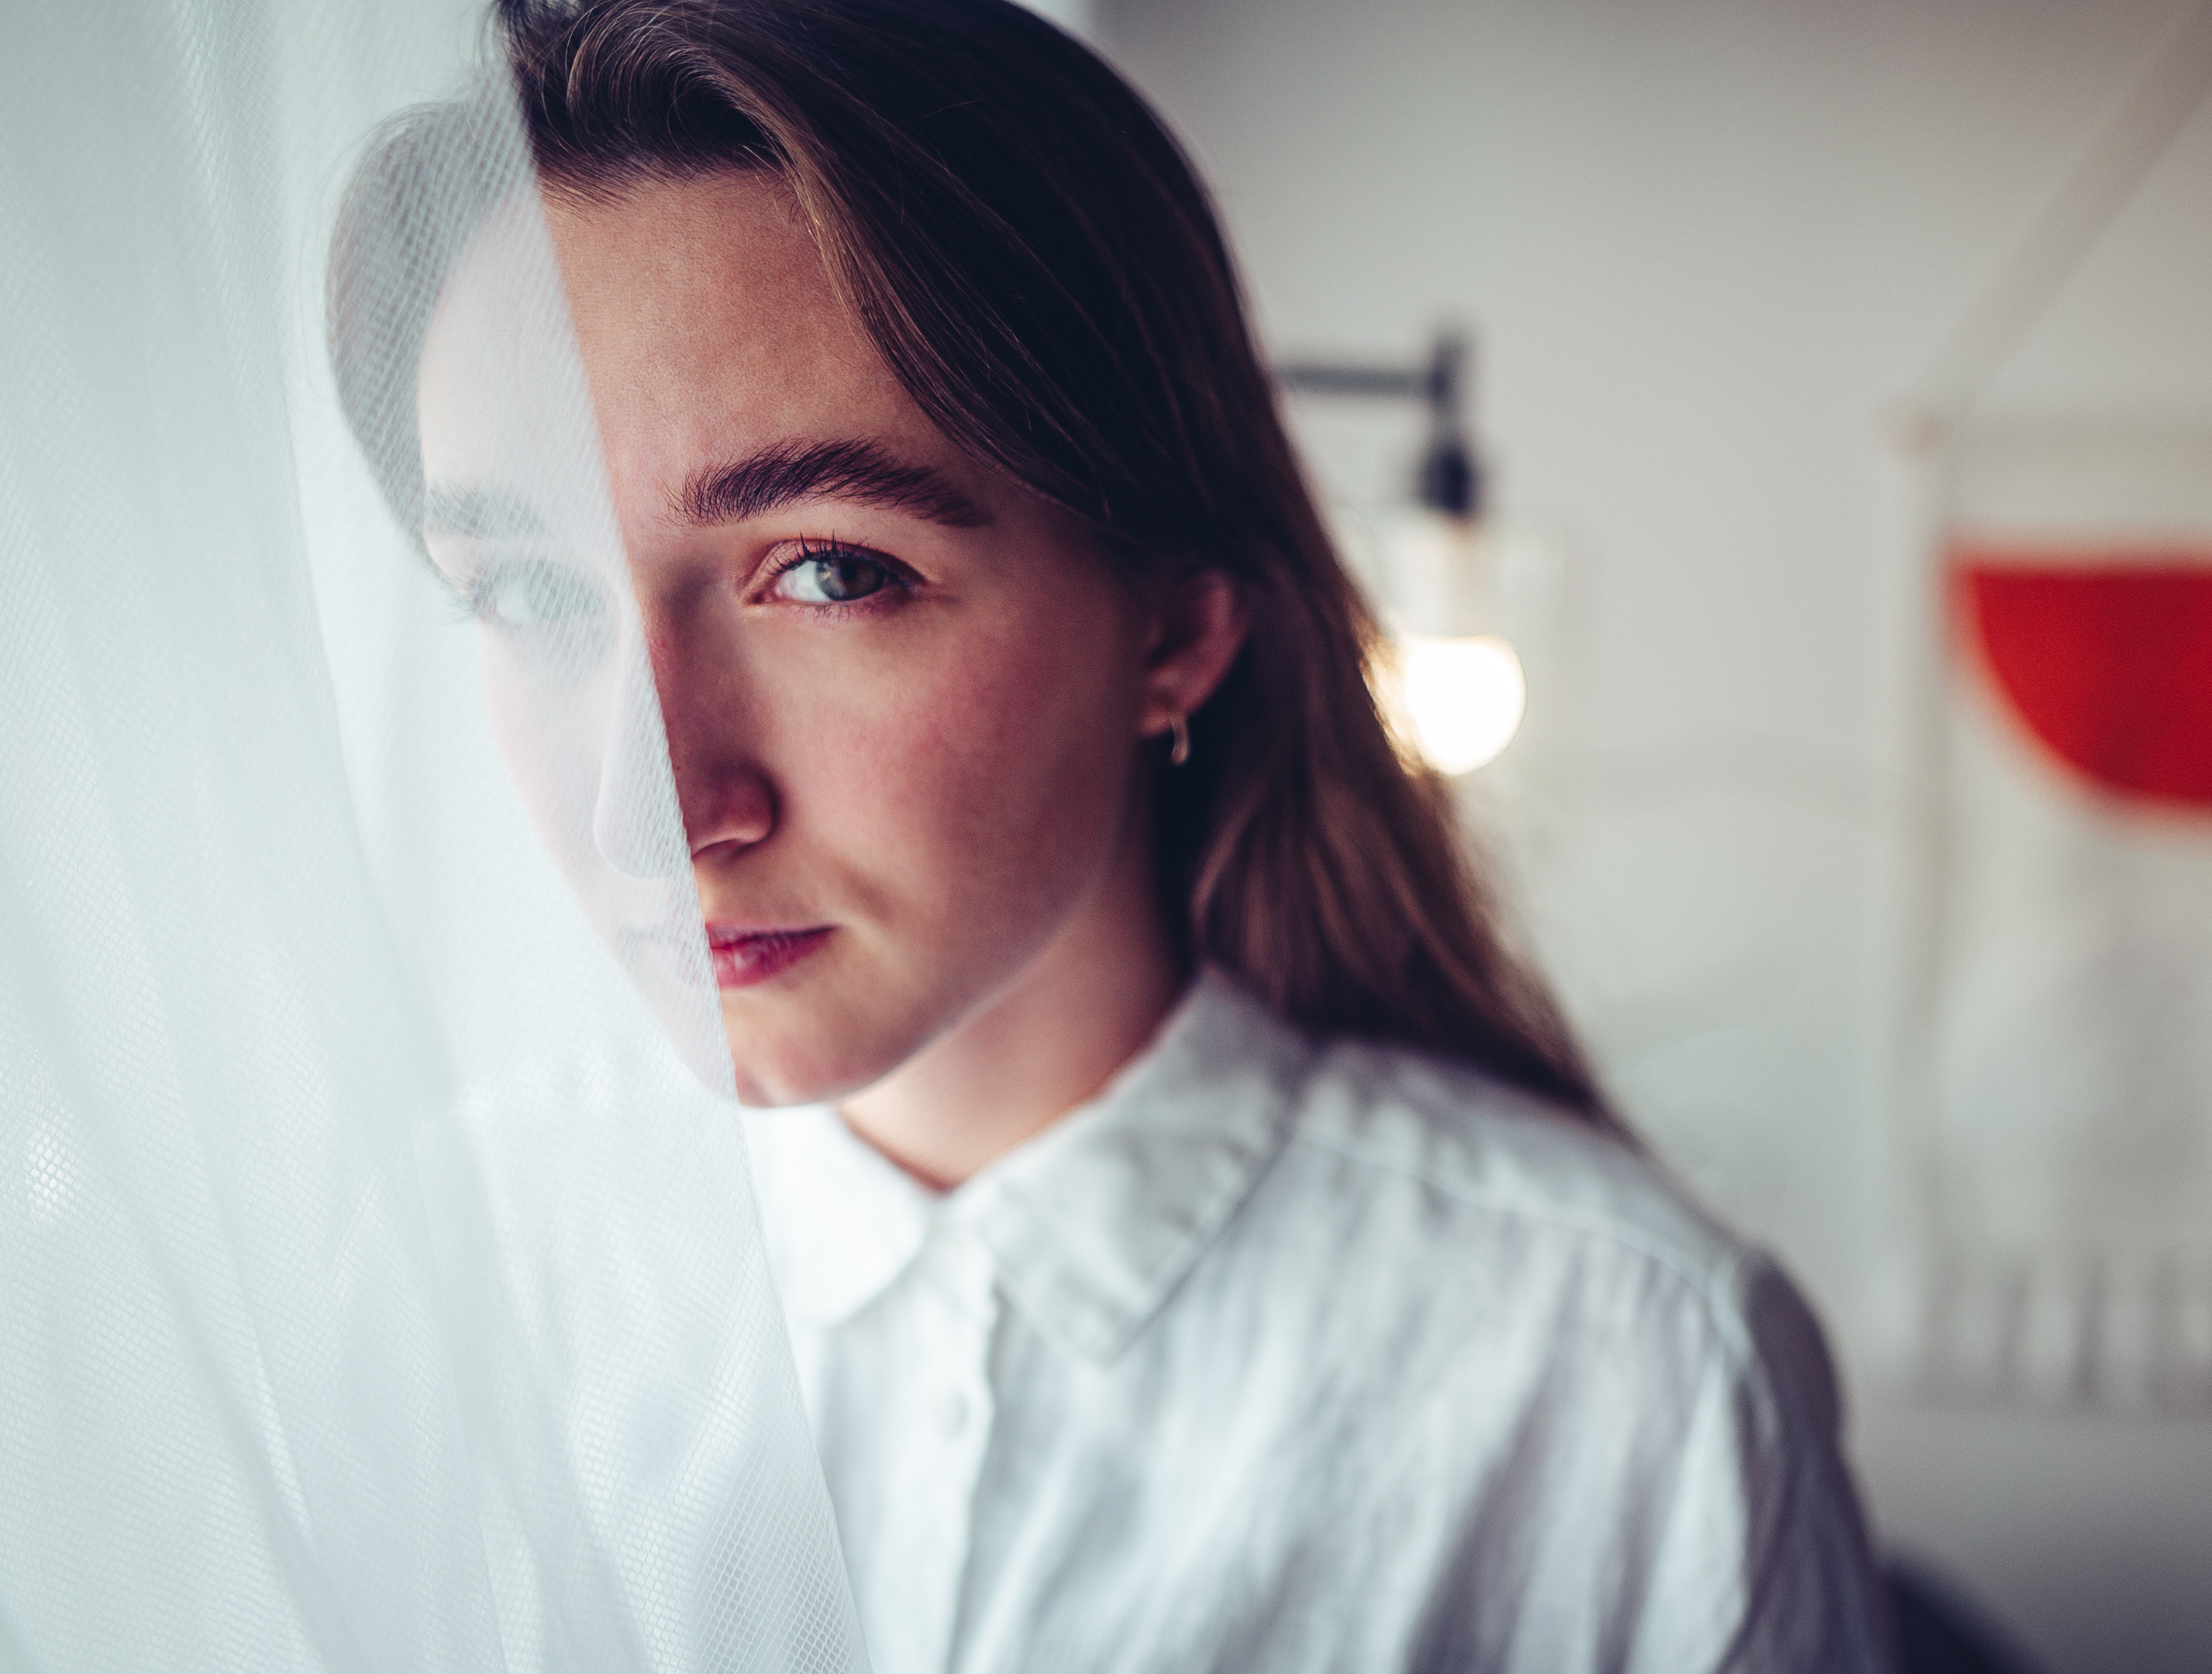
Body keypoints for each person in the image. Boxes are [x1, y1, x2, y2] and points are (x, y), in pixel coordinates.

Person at [333, 2, 1893, 1668]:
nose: (647, 814)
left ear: (1177, 630)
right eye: (528, 592)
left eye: (833, 572)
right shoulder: (453, 1273)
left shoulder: (1629, 1381)